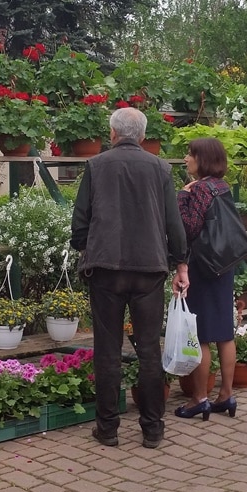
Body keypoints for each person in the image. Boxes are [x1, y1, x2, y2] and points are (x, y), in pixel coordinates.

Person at [71, 107, 188, 449]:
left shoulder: (95, 165)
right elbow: (173, 224)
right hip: (149, 268)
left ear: (112, 133)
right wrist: (181, 264)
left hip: (105, 268)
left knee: (107, 350)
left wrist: (85, 246)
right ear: (141, 136)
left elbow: (81, 220)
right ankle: (152, 429)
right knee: (149, 349)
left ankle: (107, 429)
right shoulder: (161, 168)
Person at [174, 137, 238, 421]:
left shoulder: (199, 189)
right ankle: (226, 395)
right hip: (224, 264)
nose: (186, 159)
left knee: (200, 333)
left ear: (203, 159)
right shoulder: (222, 186)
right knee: (224, 332)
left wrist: (181, 196)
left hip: (202, 267)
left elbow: (188, 228)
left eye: (190, 155)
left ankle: (199, 398)